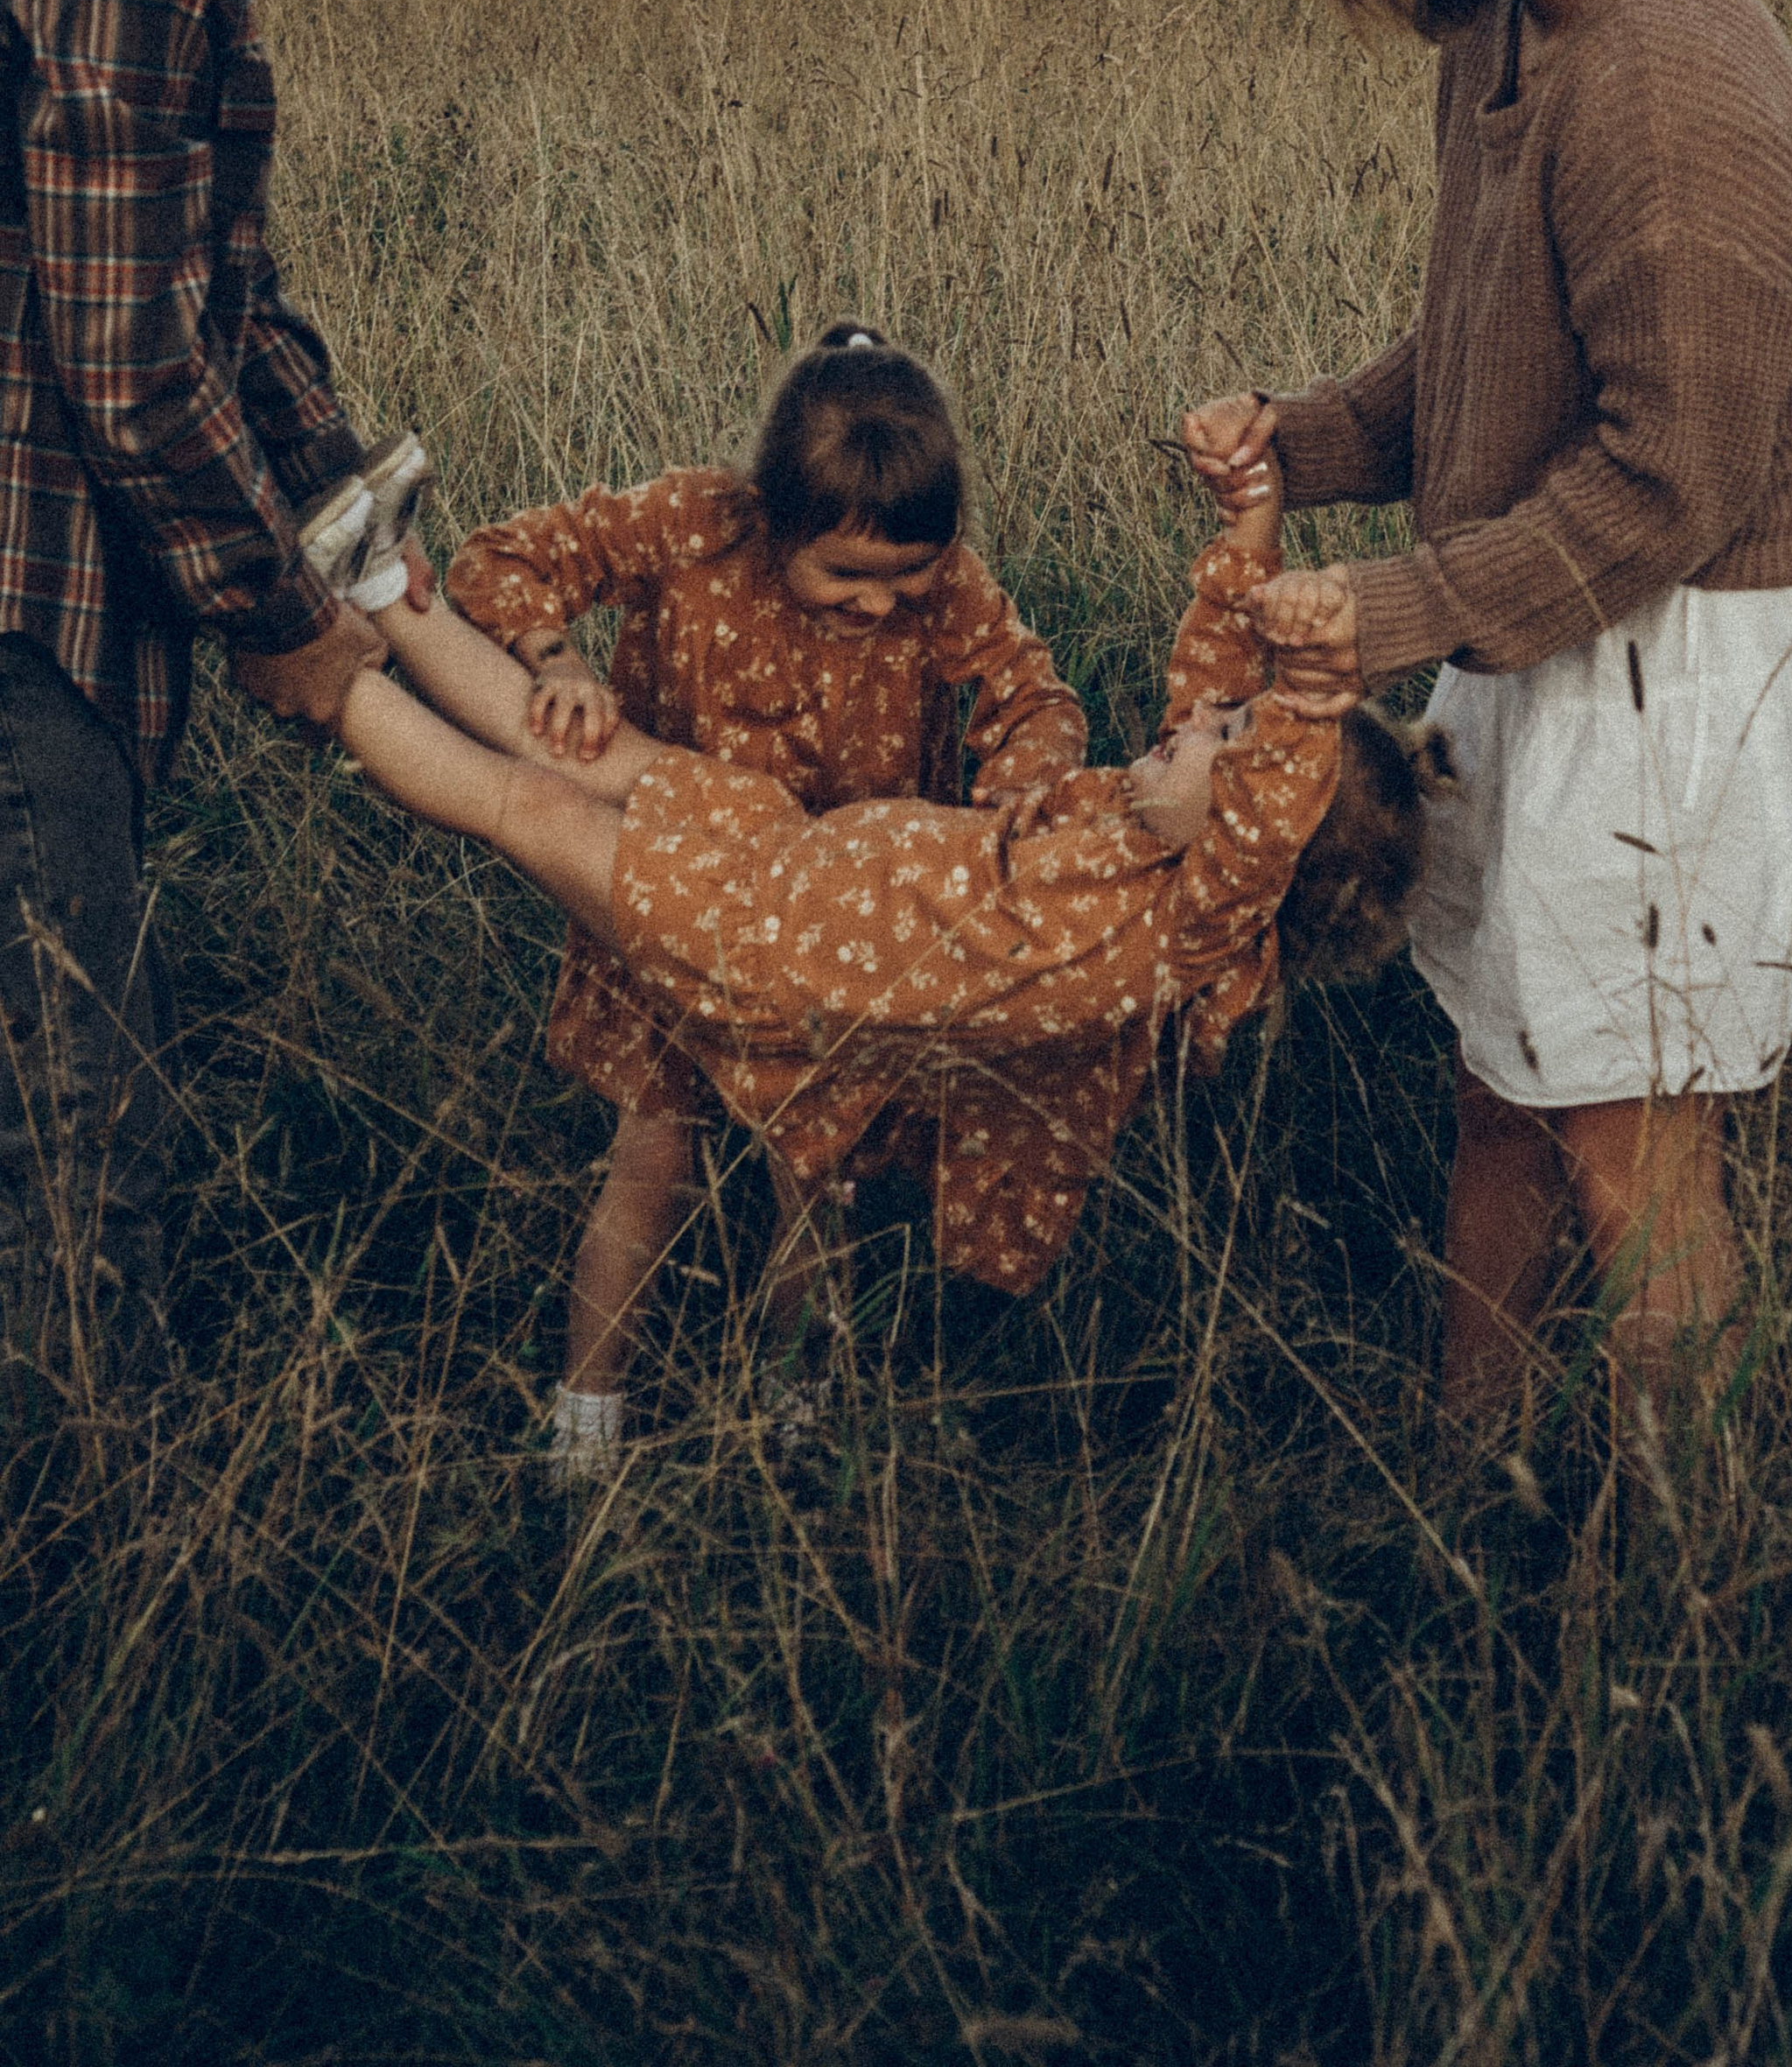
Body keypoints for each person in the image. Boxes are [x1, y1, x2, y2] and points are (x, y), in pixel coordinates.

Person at [1182, 0, 1792, 1427]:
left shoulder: (1667, 93)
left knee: (1631, 1163)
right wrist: (1298, 437)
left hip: (1683, 683)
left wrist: (1384, 614)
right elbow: (1484, 347)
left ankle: (1671, 1628)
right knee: (1501, 1081)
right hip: (1558, 645)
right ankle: (1467, 1490)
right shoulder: (1514, 12)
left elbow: (1664, 484)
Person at [327, 439, 1441, 1471]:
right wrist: (1253, 518)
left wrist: (1310, 679)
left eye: (1236, 737)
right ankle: (375, 581)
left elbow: (1273, 786)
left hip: (774, 953)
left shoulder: (1190, 917)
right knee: (589, 747)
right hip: (791, 855)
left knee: (529, 805)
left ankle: (322, 668)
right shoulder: (1154, 829)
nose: (1200, 723)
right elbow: (1212, 672)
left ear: (1261, 836)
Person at [0, 0, 492, 1395]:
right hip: (23, 618)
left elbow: (212, 287)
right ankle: (82, 1578)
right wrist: (288, 620)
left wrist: (357, 518)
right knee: (72, 1148)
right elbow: (123, 354)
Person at [443, 321, 1088, 1470]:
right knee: (652, 1163)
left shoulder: (946, 589)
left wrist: (1009, 815)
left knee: (814, 1176)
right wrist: (556, 657)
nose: (881, 604)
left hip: (836, 935)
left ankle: (799, 1420)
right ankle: (585, 1432)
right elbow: (501, 559)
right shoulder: (698, 526)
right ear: (772, 518)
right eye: (843, 575)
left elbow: (1034, 702)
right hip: (669, 900)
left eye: (909, 576)